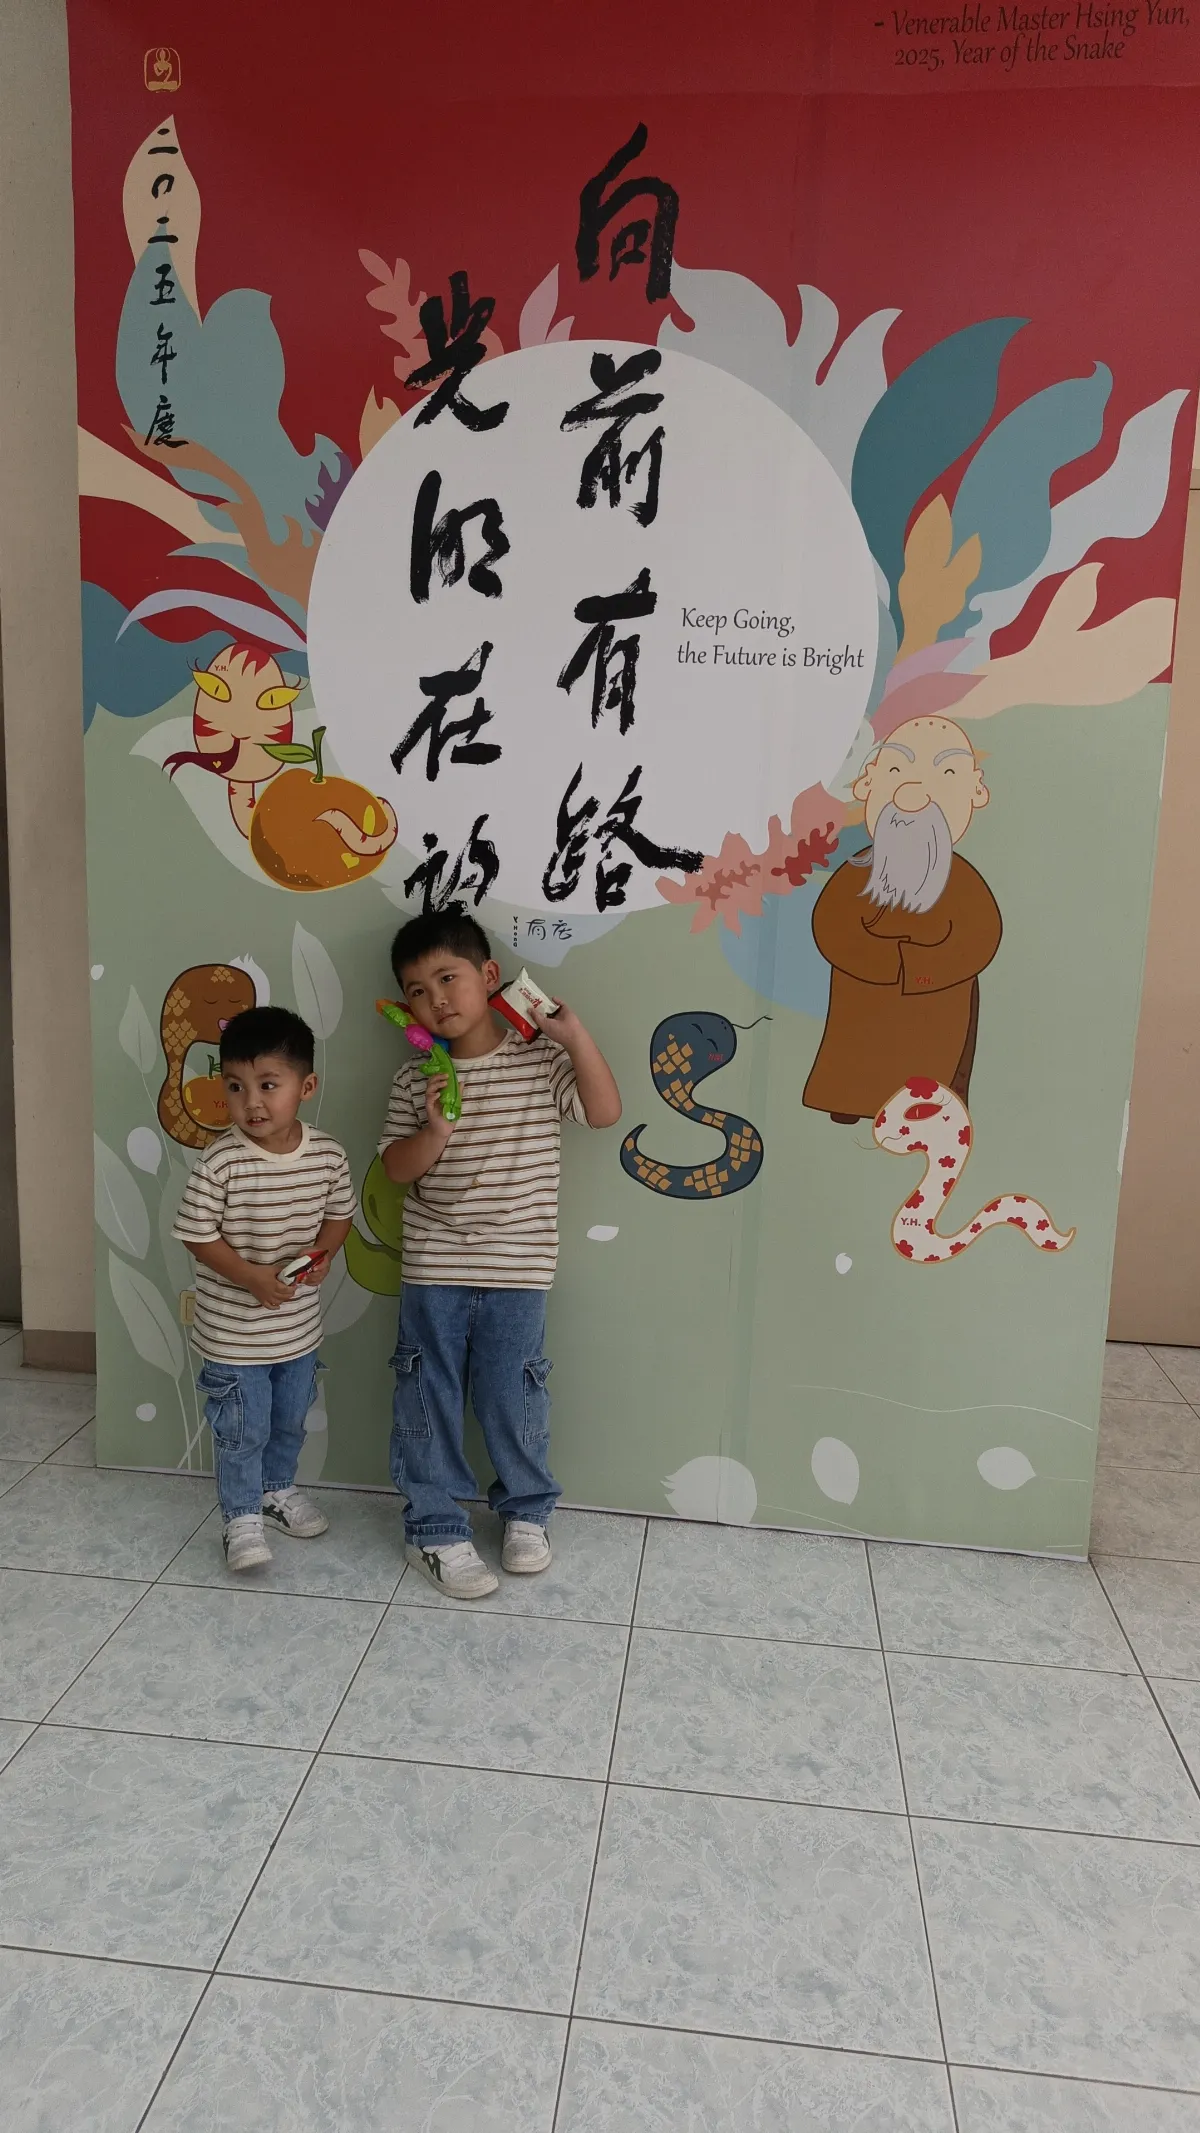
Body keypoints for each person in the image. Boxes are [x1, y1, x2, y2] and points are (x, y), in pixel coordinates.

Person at [379, 912, 622, 1599]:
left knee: (515, 1395)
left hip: (518, 1268)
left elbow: (603, 1112)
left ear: (489, 977)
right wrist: (435, 1129)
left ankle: (525, 1511)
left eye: (448, 978)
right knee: (426, 1394)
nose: (437, 999)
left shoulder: (539, 1061)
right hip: (434, 1269)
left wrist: (571, 1034)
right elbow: (398, 1170)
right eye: (417, 990)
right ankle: (434, 1526)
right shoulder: (412, 1080)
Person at [173, 1005, 356, 1571]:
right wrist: (251, 1278)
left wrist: (324, 1255)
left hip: (298, 1332)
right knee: (240, 1430)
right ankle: (241, 1518)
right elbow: (197, 1236)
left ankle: (276, 1492)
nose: (251, 1102)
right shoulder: (221, 1162)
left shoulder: (326, 1154)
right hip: (234, 1338)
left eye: (268, 1085)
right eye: (236, 1086)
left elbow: (340, 1213)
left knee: (287, 1420)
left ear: (306, 1086)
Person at [803, 715, 1002, 1124]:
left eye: (945, 773)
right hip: (863, 996)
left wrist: (919, 972)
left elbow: (980, 939)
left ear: (975, 791)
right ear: (867, 784)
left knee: (933, 1067)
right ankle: (850, 1103)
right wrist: (882, 964)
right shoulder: (857, 874)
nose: (914, 794)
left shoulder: (963, 883)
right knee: (857, 1058)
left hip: (936, 1002)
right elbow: (831, 928)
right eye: (897, 770)